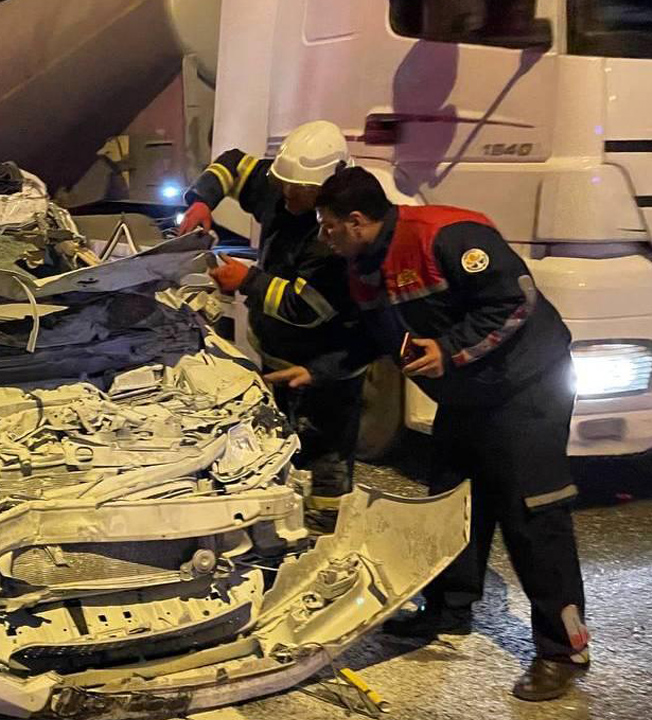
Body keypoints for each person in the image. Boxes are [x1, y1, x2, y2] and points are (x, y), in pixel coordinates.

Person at [268, 166, 588, 701]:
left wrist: (450, 349)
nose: (323, 236)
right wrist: (317, 372)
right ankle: (448, 610)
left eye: (328, 226)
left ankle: (563, 650)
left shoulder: (444, 237)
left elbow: (515, 299)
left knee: (532, 514)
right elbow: (373, 338)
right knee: (452, 501)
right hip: (467, 395)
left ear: (356, 221)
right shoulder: (363, 266)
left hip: (527, 387)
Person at [180, 121, 362, 529]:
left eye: (299, 190)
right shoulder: (284, 186)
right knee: (277, 444)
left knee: (326, 455)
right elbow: (232, 165)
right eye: (284, 184)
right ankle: (281, 522)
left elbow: (308, 306)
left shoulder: (334, 233)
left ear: (326, 192)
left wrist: (246, 281)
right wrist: (202, 201)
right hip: (279, 357)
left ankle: (327, 531)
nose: (286, 195)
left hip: (325, 366)